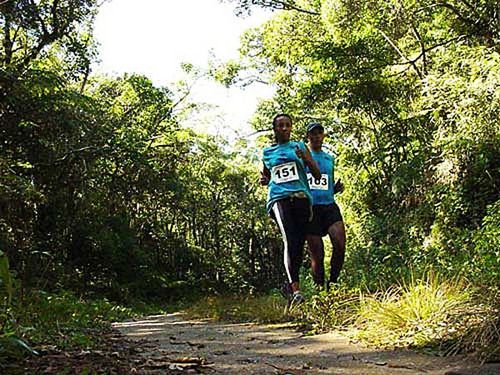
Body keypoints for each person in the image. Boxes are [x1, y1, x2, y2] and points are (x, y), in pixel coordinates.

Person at [260, 114, 321, 305]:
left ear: (291, 128)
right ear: (275, 129)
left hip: (301, 197)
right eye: (280, 125)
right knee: (289, 237)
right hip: (278, 197)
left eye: (287, 125)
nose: (284, 128)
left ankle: (294, 287)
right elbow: (266, 176)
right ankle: (296, 290)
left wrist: (306, 159)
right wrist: (264, 180)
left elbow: (317, 174)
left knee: (298, 242)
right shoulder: (268, 152)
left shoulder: (300, 147)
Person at [304, 122, 346, 290]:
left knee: (340, 244)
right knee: (317, 254)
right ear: (308, 137)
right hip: (310, 209)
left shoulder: (330, 158)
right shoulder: (302, 157)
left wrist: (334, 189)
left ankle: (334, 282)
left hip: (329, 206)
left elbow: (323, 183)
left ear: (323, 136)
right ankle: (320, 290)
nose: (316, 136)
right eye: (312, 134)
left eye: (319, 133)